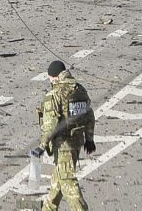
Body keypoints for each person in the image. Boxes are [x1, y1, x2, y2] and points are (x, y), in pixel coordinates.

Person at [31, 60, 95, 211]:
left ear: (53, 77)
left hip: (63, 144)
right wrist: (90, 138)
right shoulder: (79, 90)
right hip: (77, 140)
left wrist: (42, 146)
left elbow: (50, 124)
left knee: (67, 181)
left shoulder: (54, 94)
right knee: (58, 181)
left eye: (49, 78)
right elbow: (89, 115)